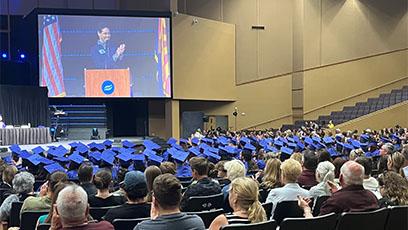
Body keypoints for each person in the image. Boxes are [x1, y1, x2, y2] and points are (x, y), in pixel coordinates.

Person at [298, 161, 378, 217]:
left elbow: (315, 226)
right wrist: (337, 193)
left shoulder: (335, 201)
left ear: (341, 178)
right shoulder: (372, 198)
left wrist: (306, 209)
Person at [134, 174, 205, 230]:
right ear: (181, 197)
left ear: (154, 201)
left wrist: (153, 223)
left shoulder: (142, 228)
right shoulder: (197, 223)